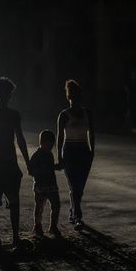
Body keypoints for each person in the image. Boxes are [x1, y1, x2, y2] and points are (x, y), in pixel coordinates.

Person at [0, 77, 31, 247]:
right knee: (13, 201)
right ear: (9, 96)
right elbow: (21, 140)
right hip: (8, 164)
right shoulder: (12, 115)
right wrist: (27, 163)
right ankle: (14, 237)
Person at [57, 79, 95, 230]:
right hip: (70, 151)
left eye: (76, 96)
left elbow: (92, 133)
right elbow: (60, 137)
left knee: (80, 185)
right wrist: (59, 156)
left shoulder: (87, 113)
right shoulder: (64, 115)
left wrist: (92, 151)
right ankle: (77, 217)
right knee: (74, 185)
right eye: (72, 96)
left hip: (84, 150)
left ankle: (73, 212)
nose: (74, 99)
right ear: (68, 98)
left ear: (80, 96)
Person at [28, 129, 63, 237]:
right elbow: (31, 171)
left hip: (51, 185)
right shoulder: (37, 155)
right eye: (48, 145)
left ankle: (53, 226)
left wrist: (55, 167)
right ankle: (37, 225)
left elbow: (50, 167)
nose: (50, 147)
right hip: (40, 186)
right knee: (39, 207)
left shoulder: (49, 154)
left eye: (51, 145)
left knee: (56, 206)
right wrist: (47, 168)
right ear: (42, 143)